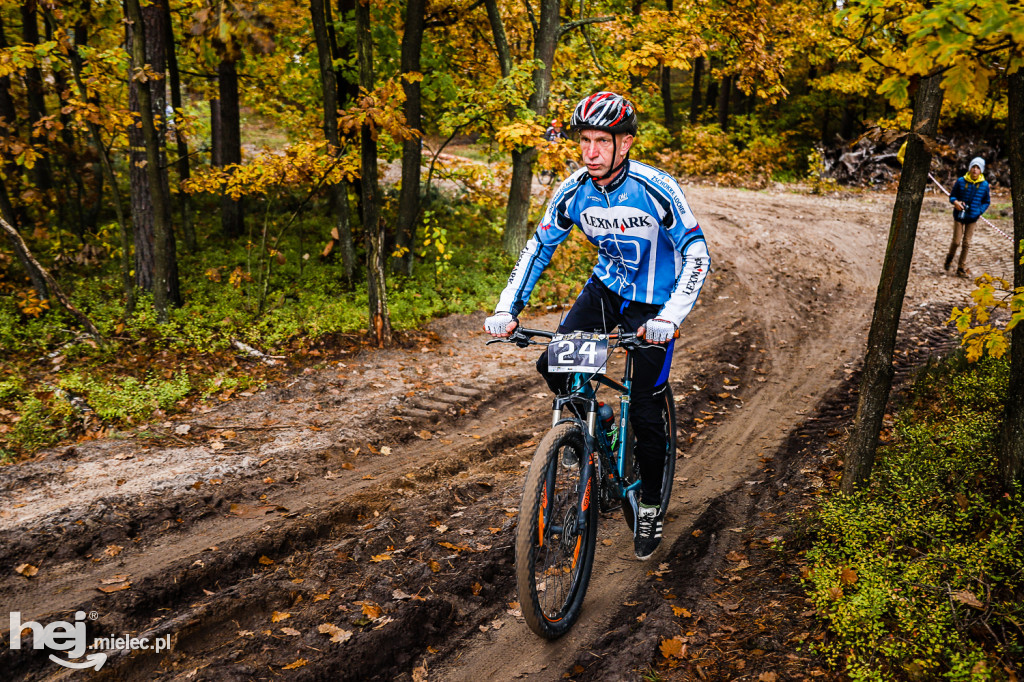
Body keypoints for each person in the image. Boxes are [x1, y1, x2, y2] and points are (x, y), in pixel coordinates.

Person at [484, 92, 711, 560]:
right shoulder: (574, 191)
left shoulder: (656, 188)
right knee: (554, 368)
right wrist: (508, 307)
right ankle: (597, 423)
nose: (590, 151)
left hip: (655, 304)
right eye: (584, 140)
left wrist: (670, 317)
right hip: (606, 292)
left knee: (647, 411)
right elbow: (539, 247)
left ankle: (649, 505)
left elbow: (697, 253)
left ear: (624, 144)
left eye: (600, 142)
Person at [946, 157, 990, 277]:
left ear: (981, 170)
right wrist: (956, 203)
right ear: (970, 168)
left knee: (967, 243)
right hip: (959, 216)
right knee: (956, 241)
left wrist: (979, 211)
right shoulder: (961, 181)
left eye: (978, 168)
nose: (975, 170)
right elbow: (952, 196)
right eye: (973, 167)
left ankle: (961, 268)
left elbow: (986, 201)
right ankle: (949, 259)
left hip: (972, 218)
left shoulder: (984, 185)